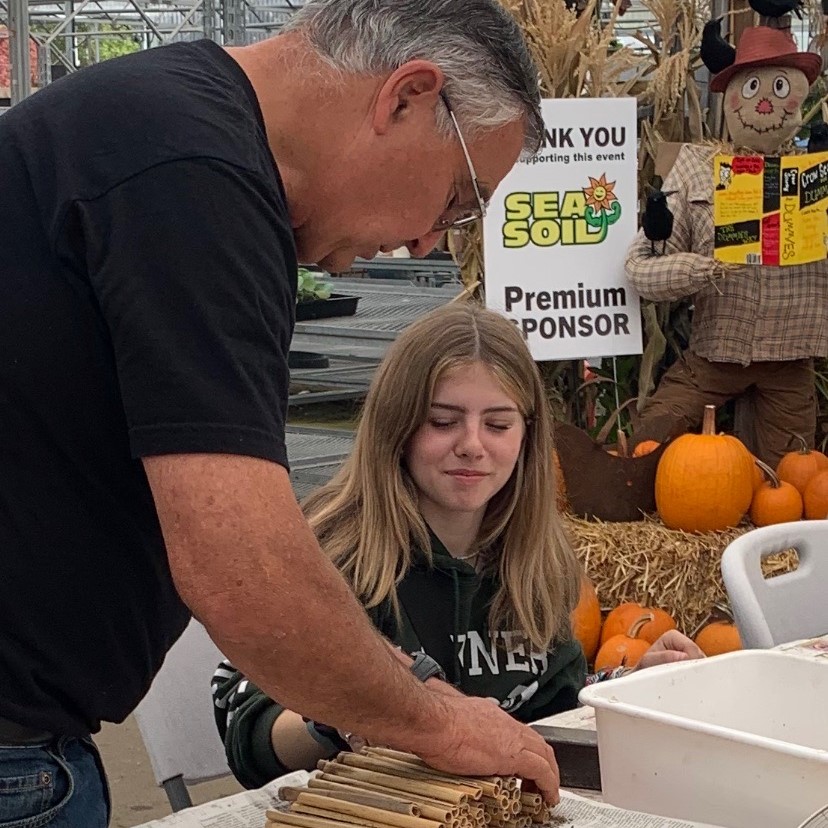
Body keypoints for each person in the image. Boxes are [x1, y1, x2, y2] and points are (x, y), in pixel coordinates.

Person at [0, 2, 563, 824]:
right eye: (455, 201)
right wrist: (435, 720)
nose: (427, 246)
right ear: (406, 96)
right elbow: (241, 565)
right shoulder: (195, 175)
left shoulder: (168, 127)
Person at [211, 303, 704, 789]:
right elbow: (247, 735)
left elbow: (550, 708)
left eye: (497, 424)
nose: (472, 444)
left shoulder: (535, 560)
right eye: (443, 422)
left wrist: (629, 687)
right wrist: (350, 714)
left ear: (528, 437)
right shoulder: (331, 553)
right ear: (395, 427)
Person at [627, 23, 827, 467]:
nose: (764, 102)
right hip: (715, 352)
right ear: (729, 96)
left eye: (780, 88)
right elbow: (639, 270)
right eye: (753, 87)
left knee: (793, 477)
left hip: (790, 358)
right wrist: (702, 267)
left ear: (801, 96)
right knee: (648, 446)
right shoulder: (698, 169)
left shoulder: (818, 177)